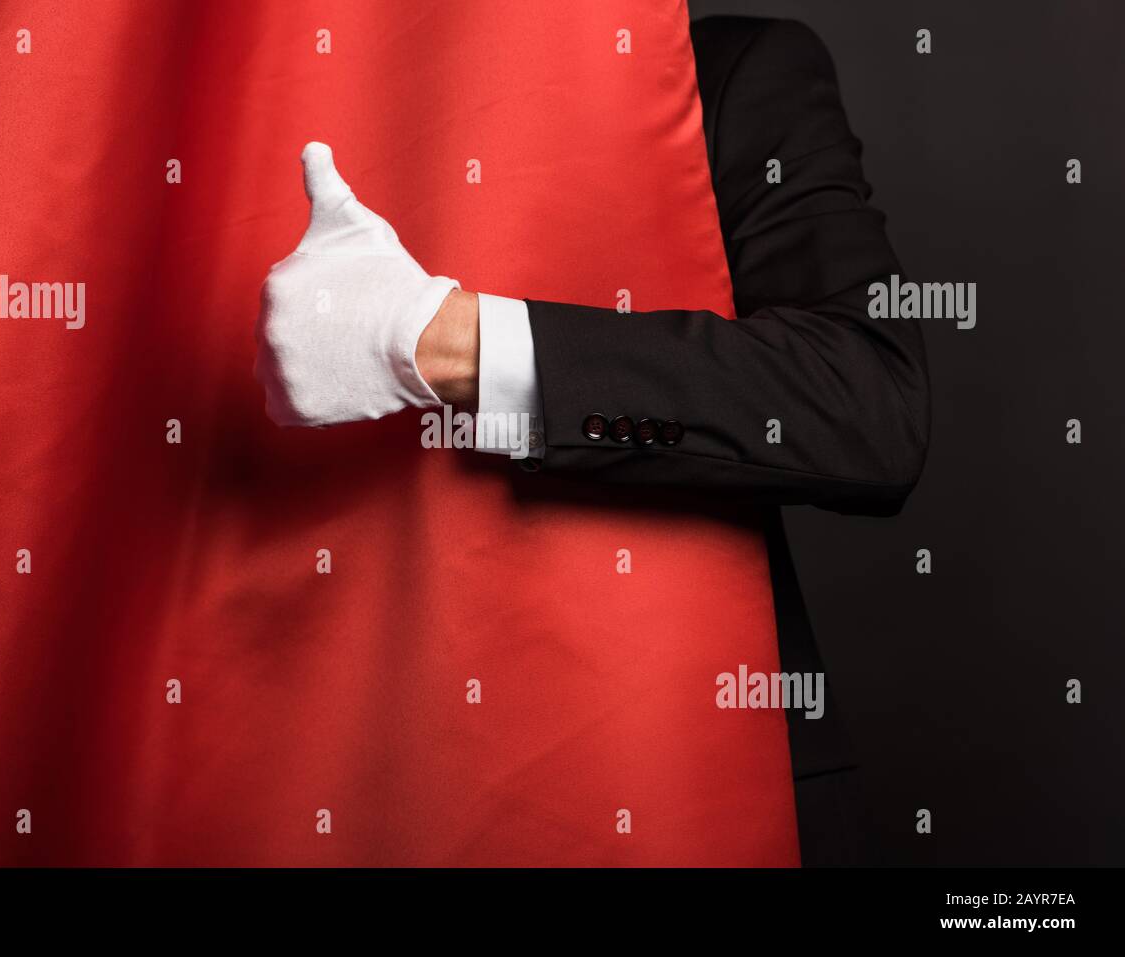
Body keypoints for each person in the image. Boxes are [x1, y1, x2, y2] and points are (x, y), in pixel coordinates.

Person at [256, 16, 930, 865]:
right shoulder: (282, 96)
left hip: (691, 770)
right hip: (353, 769)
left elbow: (871, 403)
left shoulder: (726, 69)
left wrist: (450, 341)